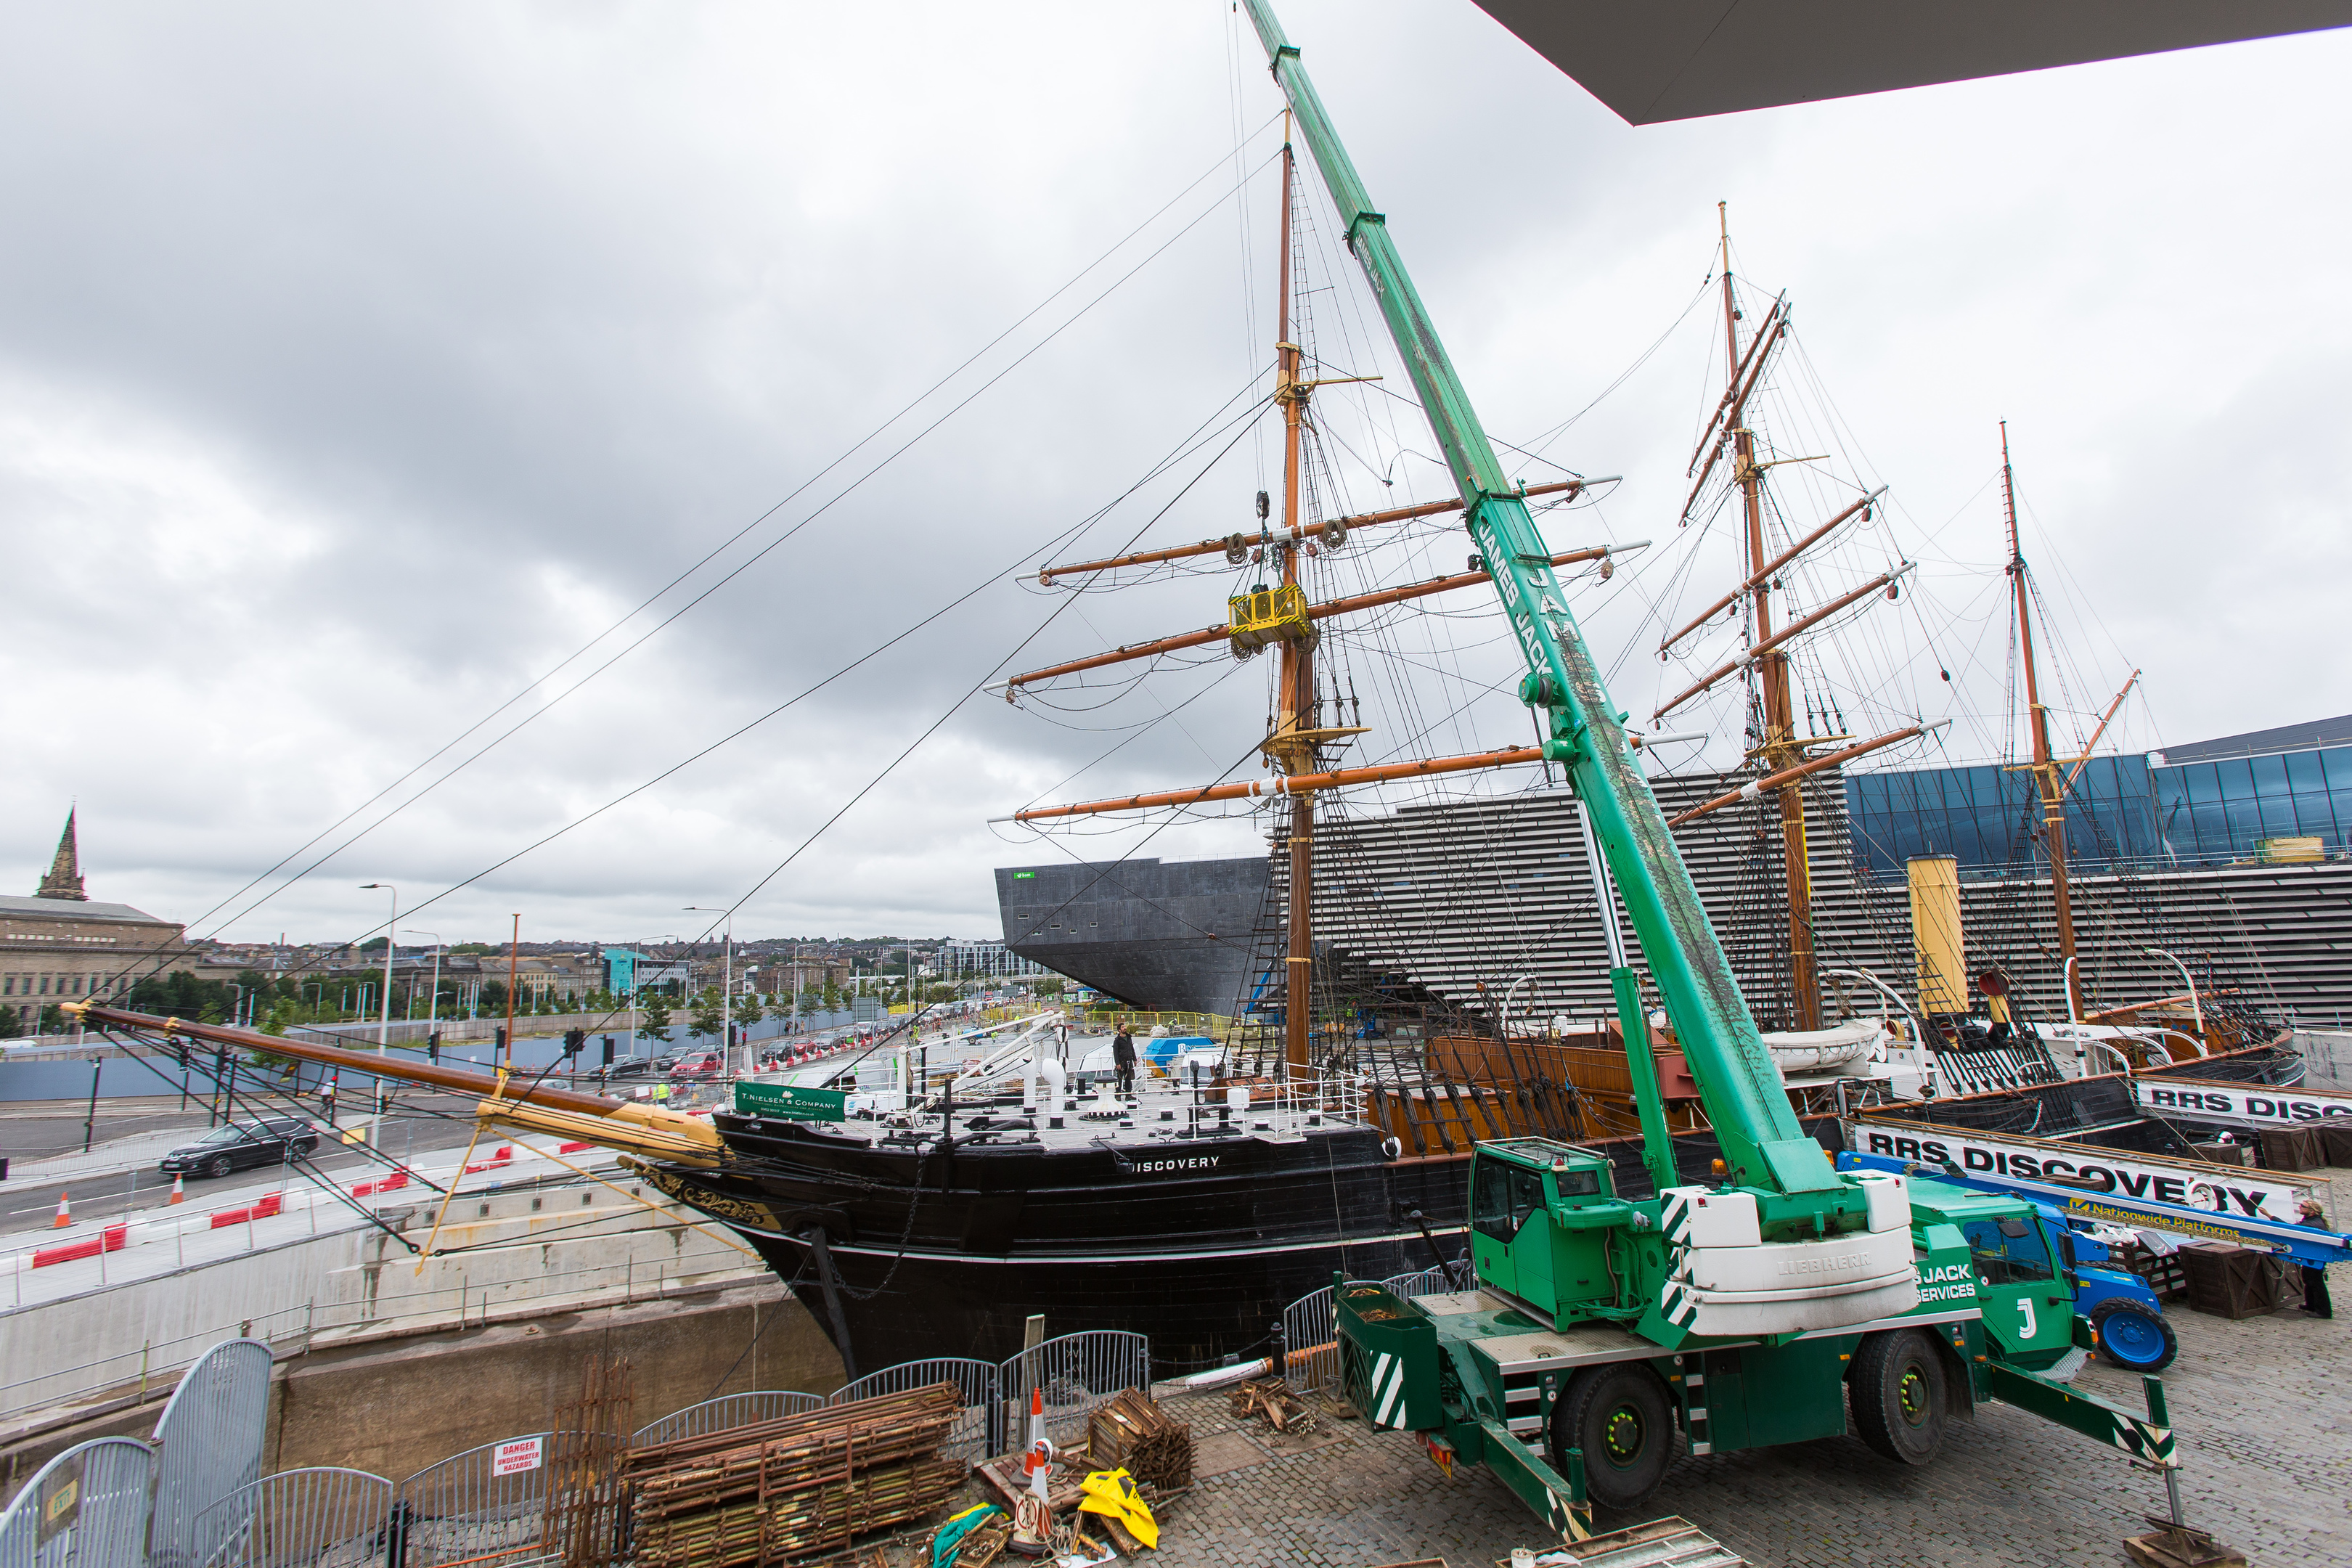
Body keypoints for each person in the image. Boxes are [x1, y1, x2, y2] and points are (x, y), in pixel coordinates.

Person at [2298, 1198, 2333, 1319]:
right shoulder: (2312, 1220)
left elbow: (2294, 1228)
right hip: (2313, 1254)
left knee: (2316, 1281)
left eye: (2303, 1206)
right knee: (2308, 1278)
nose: (2300, 1207)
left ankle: (2324, 1311)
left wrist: (2270, 1216)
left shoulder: (2313, 1223)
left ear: (2312, 1212)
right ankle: (2311, 1305)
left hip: (2317, 1255)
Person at [1111, 1022, 1137, 1098]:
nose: (1125, 1028)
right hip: (1122, 1062)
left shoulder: (1129, 1038)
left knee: (1128, 1079)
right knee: (1119, 1079)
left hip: (1129, 1061)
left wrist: (1134, 1059)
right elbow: (1115, 1052)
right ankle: (1118, 1095)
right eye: (1123, 1027)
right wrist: (1117, 1063)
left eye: (1125, 1027)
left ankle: (1128, 1095)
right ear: (1119, 1030)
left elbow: (1132, 1049)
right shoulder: (1117, 1040)